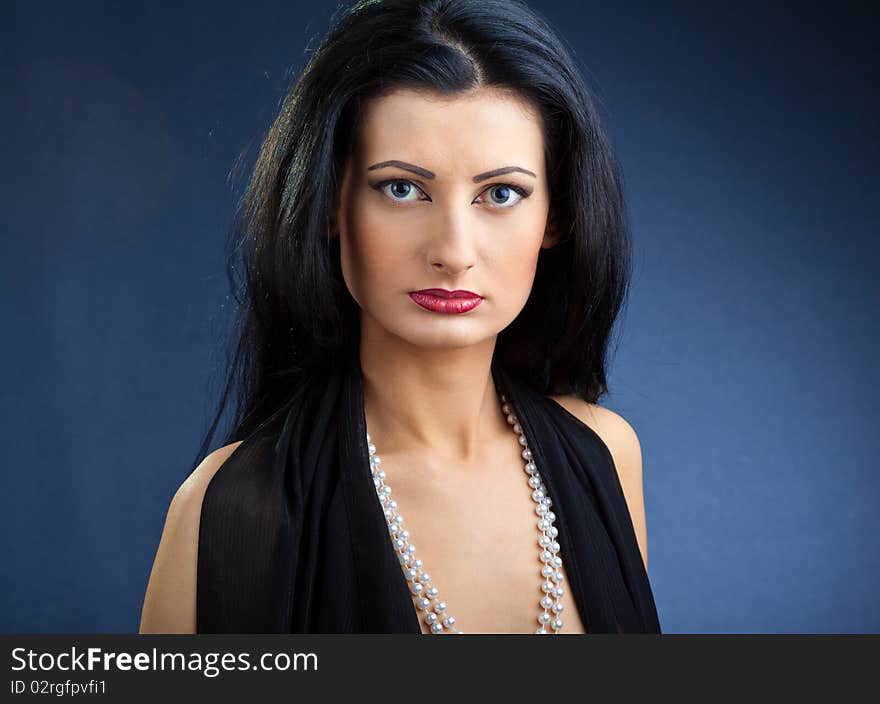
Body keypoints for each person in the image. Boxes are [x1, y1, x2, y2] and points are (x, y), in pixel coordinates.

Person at [139, 0, 661, 634]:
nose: (452, 251)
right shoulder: (229, 509)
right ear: (331, 204)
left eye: (501, 194)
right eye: (402, 188)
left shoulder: (605, 454)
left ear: (556, 216)